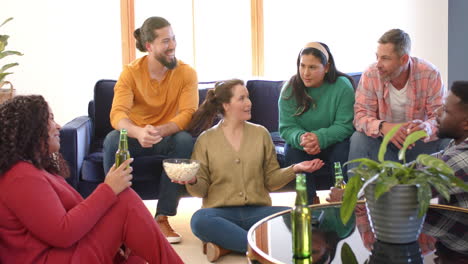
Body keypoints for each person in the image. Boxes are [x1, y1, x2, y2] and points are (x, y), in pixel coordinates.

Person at [0, 95, 183, 264]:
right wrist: (108, 189)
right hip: (56, 258)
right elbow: (63, 233)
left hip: (68, 252)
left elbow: (76, 215)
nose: (58, 126)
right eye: (50, 119)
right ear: (31, 128)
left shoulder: (36, 171)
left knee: (134, 250)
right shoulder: (20, 177)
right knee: (124, 201)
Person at [179, 79, 325, 262]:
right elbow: (201, 190)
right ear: (226, 105)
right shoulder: (205, 140)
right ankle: (263, 247)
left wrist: (295, 169)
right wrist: (192, 180)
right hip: (219, 213)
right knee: (199, 220)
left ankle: (229, 245)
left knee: (307, 219)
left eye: (248, 97)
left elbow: (271, 181)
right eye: (242, 98)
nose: (249, 103)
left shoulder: (261, 134)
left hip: (258, 211)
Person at [103, 16, 198, 244]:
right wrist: (138, 132)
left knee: (185, 140)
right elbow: (117, 114)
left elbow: (188, 114)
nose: (173, 45)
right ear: (149, 46)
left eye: (173, 39)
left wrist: (160, 131)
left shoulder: (186, 73)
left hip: (165, 137)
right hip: (137, 137)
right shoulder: (130, 73)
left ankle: (162, 217)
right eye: (165, 41)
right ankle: (119, 215)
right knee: (112, 141)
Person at [349, 28, 449, 172]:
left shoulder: (429, 73)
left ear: (404, 59)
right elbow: (360, 116)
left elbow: (441, 116)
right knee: (358, 138)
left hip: (418, 144)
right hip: (384, 145)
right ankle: (356, 194)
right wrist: (384, 127)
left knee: (449, 139)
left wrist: (426, 128)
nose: (378, 64)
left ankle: (448, 194)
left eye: (385, 58)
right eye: (377, 57)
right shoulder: (371, 74)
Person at [278, 42, 355, 204]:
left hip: (334, 142)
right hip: (303, 144)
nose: (305, 73)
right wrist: (302, 138)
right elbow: (286, 128)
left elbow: (345, 125)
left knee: (342, 149)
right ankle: (309, 203)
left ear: (326, 67)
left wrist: (319, 137)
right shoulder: (289, 89)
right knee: (292, 152)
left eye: (312, 67)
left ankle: (341, 200)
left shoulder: (342, 86)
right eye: (302, 66)